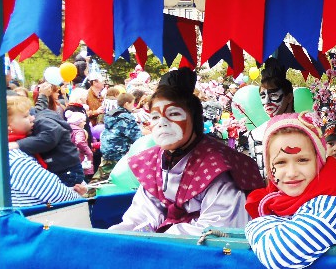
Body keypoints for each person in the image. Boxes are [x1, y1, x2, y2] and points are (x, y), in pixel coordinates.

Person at [109, 68, 262, 235]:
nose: (162, 123)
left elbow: (217, 228)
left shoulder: (217, 166)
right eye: (155, 117)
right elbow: (142, 216)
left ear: (194, 119)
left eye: (174, 114)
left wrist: (164, 238)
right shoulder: (153, 162)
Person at [245, 112, 336, 269]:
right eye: (280, 162)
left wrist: (254, 225)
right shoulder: (276, 200)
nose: (292, 173)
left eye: (302, 160)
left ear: (319, 160)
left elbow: (280, 255)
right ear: (269, 166)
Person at [0, 98, 85, 207]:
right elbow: (59, 195)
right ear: (7, 126)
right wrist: (79, 195)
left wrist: (73, 191)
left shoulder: (2, 151)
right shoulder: (13, 159)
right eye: (25, 116)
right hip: (42, 216)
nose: (32, 118)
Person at [248, 58, 295, 175]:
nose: (267, 102)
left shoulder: (307, 130)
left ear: (289, 97)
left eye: (273, 95)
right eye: (263, 96)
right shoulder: (255, 135)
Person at [92, 93, 142, 181]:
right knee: (119, 176)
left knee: (102, 173)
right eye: (132, 103)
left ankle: (91, 187)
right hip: (119, 151)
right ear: (126, 104)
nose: (133, 106)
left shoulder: (111, 114)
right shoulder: (127, 118)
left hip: (106, 148)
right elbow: (136, 137)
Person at [65, 111, 94, 178]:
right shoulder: (79, 131)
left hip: (69, 156)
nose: (85, 123)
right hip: (79, 157)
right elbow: (79, 141)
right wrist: (88, 151)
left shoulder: (67, 128)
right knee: (82, 176)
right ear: (78, 122)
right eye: (84, 121)